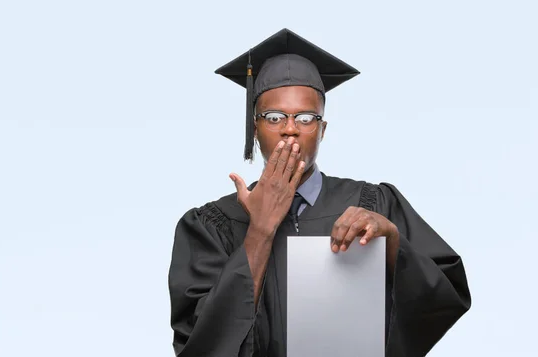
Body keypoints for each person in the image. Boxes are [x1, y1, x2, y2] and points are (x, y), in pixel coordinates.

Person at [167, 28, 471, 357]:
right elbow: (199, 346)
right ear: (254, 128)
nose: (290, 127)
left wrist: (392, 243)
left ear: (322, 130)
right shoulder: (210, 227)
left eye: (306, 117)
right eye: (273, 117)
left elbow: (445, 298)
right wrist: (260, 231)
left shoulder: (374, 205)